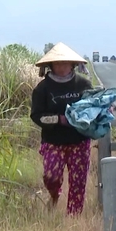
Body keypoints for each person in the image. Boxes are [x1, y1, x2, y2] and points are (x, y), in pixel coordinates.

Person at [30, 42, 94, 215]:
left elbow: (92, 107)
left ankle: (73, 218)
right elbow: (37, 116)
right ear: (50, 65)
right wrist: (60, 119)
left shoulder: (83, 85)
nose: (61, 67)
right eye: (57, 63)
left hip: (79, 141)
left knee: (78, 182)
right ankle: (54, 195)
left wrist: (102, 110)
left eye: (65, 63)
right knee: (51, 177)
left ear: (72, 64)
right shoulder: (42, 89)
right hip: (53, 142)